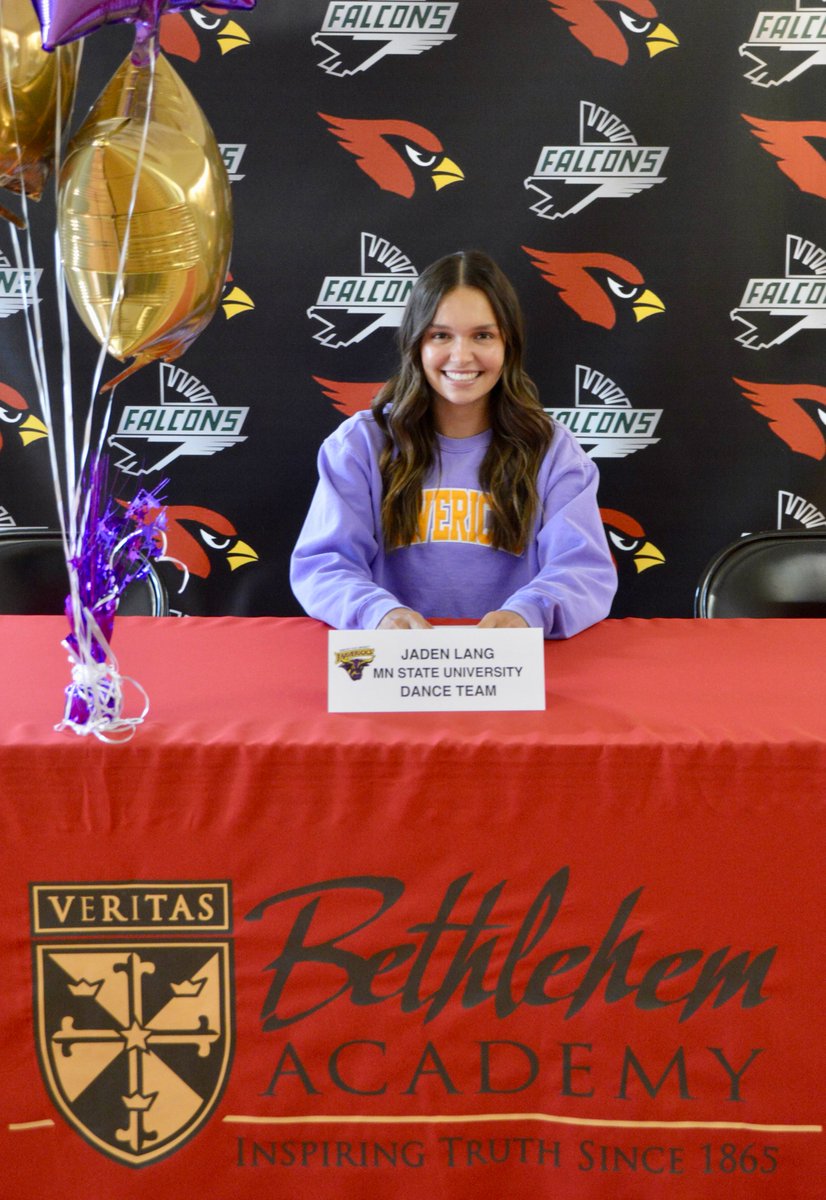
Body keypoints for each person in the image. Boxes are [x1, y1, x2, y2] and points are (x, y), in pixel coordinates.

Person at [290, 250, 617, 637]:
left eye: (482, 335)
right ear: (416, 344)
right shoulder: (360, 444)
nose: (461, 356)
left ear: (507, 345)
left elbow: (584, 570)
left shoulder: (551, 449)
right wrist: (375, 612)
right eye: (441, 335)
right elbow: (325, 565)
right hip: (395, 668)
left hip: (511, 669)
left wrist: (529, 613)